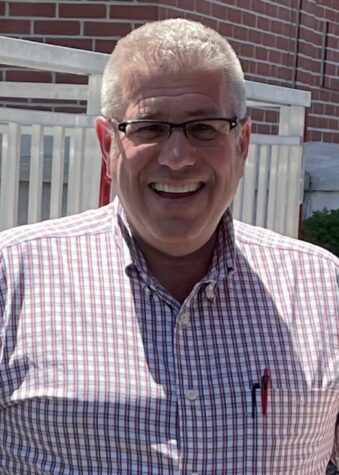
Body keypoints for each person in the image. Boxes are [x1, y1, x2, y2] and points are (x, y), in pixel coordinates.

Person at [0, 18, 338, 475]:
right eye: (150, 127)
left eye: (204, 127)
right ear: (108, 145)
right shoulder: (12, 278)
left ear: (242, 143)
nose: (177, 158)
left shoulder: (324, 288)